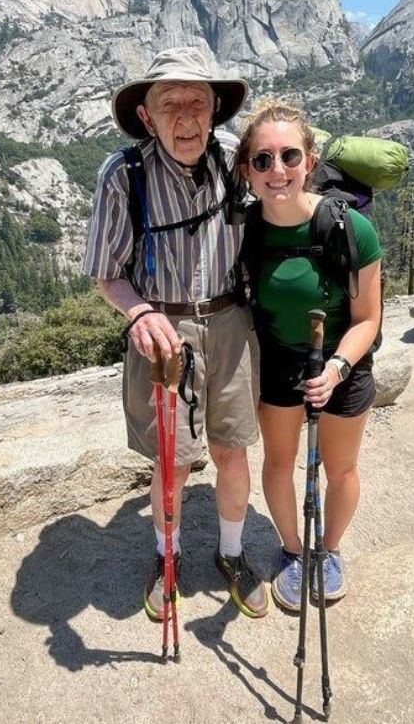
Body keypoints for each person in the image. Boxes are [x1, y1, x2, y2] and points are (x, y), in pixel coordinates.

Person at [84, 47, 268, 620]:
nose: (186, 118)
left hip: (232, 323)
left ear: (215, 109)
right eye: (171, 105)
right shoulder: (123, 175)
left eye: (197, 102)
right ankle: (168, 556)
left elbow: (290, 197)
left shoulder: (238, 158)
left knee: (232, 449)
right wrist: (139, 314)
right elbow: (106, 273)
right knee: (174, 462)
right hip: (160, 331)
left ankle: (232, 554)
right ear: (147, 116)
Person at [237, 99, 382, 612]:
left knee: (339, 470)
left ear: (310, 161)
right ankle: (296, 553)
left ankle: (330, 552)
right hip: (280, 362)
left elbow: (368, 319)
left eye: (289, 157)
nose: (278, 171)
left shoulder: (349, 229)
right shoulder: (246, 230)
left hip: (344, 364)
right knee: (279, 464)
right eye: (263, 160)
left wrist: (338, 368)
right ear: (247, 170)